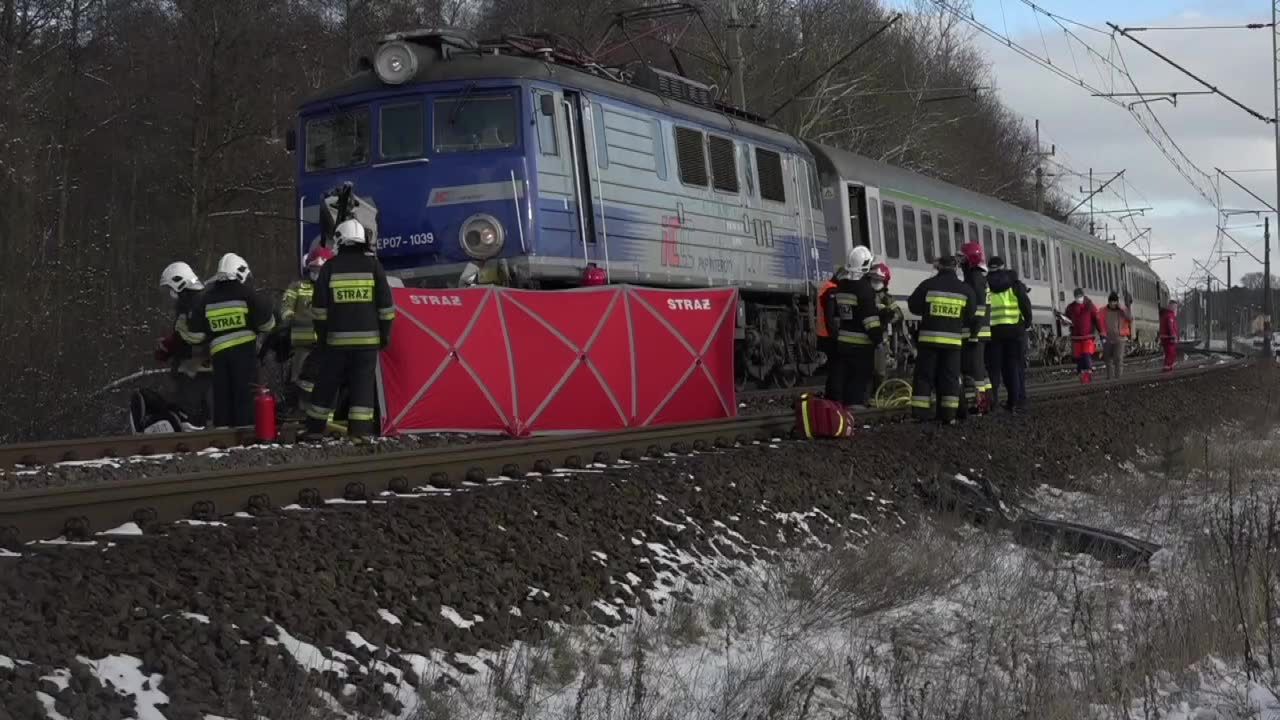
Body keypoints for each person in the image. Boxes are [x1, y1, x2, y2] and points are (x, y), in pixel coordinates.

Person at [304, 218, 396, 441]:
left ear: (340, 240)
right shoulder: (374, 267)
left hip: (336, 343)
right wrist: (384, 335)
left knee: (326, 385)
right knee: (362, 388)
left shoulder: (330, 268)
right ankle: (360, 434)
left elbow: (319, 310)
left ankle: (315, 430)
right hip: (367, 345)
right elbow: (386, 308)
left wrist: (323, 337)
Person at [184, 253, 276, 427]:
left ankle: (223, 434)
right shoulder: (248, 294)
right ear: (240, 272)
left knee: (222, 396)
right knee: (245, 395)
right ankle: (245, 432)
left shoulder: (206, 299)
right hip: (245, 355)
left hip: (219, 356)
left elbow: (195, 335)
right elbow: (267, 325)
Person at [907, 253, 976, 423]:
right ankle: (948, 415)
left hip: (928, 341)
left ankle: (920, 414)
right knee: (950, 378)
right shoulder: (965, 289)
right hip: (952, 343)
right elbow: (971, 313)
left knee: (924, 377)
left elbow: (913, 305)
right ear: (956, 268)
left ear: (938, 267)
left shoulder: (928, 285)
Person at [280, 246, 335, 414]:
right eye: (314, 268)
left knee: (326, 380)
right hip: (302, 345)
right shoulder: (297, 287)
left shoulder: (332, 287)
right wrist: (298, 319)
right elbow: (285, 310)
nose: (317, 272)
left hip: (326, 345)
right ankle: (301, 411)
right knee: (299, 380)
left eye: (321, 269)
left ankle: (324, 414)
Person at [827, 246, 881, 409]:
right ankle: (855, 408)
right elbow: (870, 320)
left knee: (843, 377)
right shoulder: (865, 289)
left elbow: (837, 314)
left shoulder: (841, 287)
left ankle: (839, 407)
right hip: (861, 345)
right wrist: (878, 338)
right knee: (858, 378)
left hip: (843, 342)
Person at [159, 261, 212, 426]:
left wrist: (170, 345)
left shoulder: (193, 302)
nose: (170, 293)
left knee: (191, 413)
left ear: (179, 282)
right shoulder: (192, 300)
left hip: (196, 367)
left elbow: (193, 336)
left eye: (171, 288)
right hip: (195, 366)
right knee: (197, 410)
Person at [985, 256, 1032, 412]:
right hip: (1014, 331)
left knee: (994, 369)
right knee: (1013, 366)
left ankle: (994, 402)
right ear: (1003, 266)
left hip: (993, 332)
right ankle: (1014, 402)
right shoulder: (1014, 284)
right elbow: (1025, 304)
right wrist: (1027, 322)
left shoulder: (985, 284)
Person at [958, 242, 992, 416]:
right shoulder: (979, 277)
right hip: (980, 330)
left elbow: (979, 306)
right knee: (979, 370)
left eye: (963, 257)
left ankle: (980, 405)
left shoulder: (974, 278)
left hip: (975, 332)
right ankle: (984, 402)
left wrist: (973, 332)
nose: (960, 261)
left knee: (975, 369)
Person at [869, 262, 903, 394]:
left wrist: (887, 316)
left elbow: (898, 314)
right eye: (873, 279)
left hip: (880, 339)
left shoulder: (887, 299)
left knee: (880, 371)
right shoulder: (865, 295)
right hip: (867, 337)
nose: (875, 282)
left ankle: (879, 393)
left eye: (878, 280)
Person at [1058, 288, 1102, 384]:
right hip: (1076, 338)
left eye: (1080, 296)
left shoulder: (1090, 306)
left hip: (1088, 337)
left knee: (1086, 357)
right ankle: (1083, 379)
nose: (1079, 298)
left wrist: (1101, 332)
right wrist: (1063, 320)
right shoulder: (1071, 307)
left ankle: (1087, 380)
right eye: (1077, 297)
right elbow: (1067, 320)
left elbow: (1097, 319)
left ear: (1083, 295)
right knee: (1079, 360)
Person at [817, 266, 846, 401]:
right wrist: (836, 335)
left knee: (834, 368)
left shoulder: (828, 287)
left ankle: (832, 395)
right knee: (837, 367)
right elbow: (830, 317)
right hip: (829, 335)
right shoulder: (832, 290)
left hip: (824, 333)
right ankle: (835, 397)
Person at [1097, 290, 1133, 380]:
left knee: (1118, 358)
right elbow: (1098, 322)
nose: (1113, 303)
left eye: (1115, 301)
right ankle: (1109, 377)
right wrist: (1100, 335)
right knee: (1107, 359)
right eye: (1111, 301)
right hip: (1107, 337)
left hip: (1120, 338)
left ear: (1117, 302)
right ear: (1109, 301)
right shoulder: (1102, 311)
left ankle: (1118, 377)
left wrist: (1124, 307)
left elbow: (1130, 318)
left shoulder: (1122, 310)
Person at [1160, 299, 1180, 372]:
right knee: (1171, 352)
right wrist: (1173, 336)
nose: (1175, 309)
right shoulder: (1170, 315)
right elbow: (1170, 326)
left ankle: (1168, 366)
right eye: (1174, 307)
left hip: (1166, 337)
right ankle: (1168, 367)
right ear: (1170, 306)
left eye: (1176, 307)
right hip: (1169, 338)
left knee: (1169, 353)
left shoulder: (1165, 314)